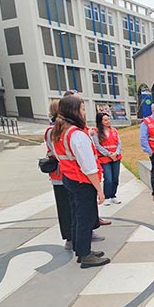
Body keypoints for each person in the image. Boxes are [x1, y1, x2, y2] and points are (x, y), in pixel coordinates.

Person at [51, 96, 111, 268]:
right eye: (83, 109)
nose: (85, 113)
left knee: (77, 216)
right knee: (85, 218)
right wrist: (99, 190)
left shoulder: (59, 131)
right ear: (74, 111)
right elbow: (89, 167)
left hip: (69, 179)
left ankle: (81, 249)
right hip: (82, 181)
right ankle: (85, 255)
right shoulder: (77, 135)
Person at [44, 99, 73, 250]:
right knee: (64, 207)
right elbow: (59, 152)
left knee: (73, 207)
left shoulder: (65, 128)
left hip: (69, 174)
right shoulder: (51, 131)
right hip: (59, 175)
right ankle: (69, 237)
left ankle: (77, 234)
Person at [92, 112, 122, 205]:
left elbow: (119, 143)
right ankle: (107, 196)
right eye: (105, 120)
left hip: (115, 157)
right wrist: (109, 154)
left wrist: (116, 153)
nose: (108, 121)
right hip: (104, 158)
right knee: (108, 178)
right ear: (100, 122)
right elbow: (97, 146)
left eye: (108, 119)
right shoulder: (96, 132)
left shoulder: (114, 130)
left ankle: (113, 195)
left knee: (115, 178)